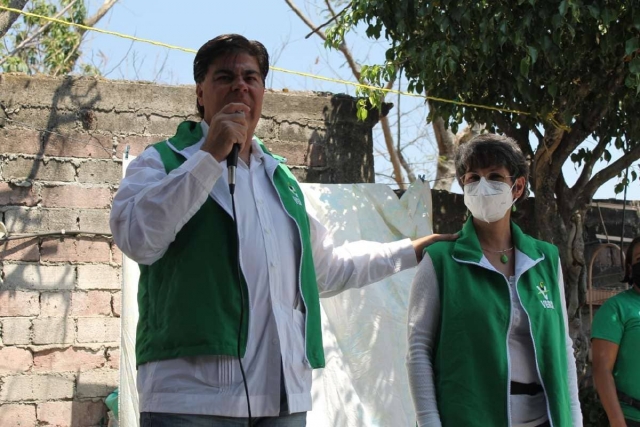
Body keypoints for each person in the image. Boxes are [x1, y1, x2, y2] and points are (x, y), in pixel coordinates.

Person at [109, 33, 455, 427]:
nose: (240, 85)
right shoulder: (162, 162)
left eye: (251, 77)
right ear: (200, 94)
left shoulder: (281, 181)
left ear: (262, 92)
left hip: (282, 401)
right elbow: (137, 239)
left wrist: (411, 250)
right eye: (224, 77)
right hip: (191, 400)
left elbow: (327, 269)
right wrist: (209, 157)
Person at [406, 134, 583, 427]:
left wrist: (574, 420)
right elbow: (419, 349)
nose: (482, 185)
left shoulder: (545, 259)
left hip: (546, 419)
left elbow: (563, 346)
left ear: (518, 187)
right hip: (471, 418)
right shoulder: (441, 261)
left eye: (495, 176)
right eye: (473, 177)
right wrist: (428, 421)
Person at [592, 236, 640, 427]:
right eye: (639, 259)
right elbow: (602, 369)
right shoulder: (616, 308)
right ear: (630, 268)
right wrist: (617, 421)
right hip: (630, 419)